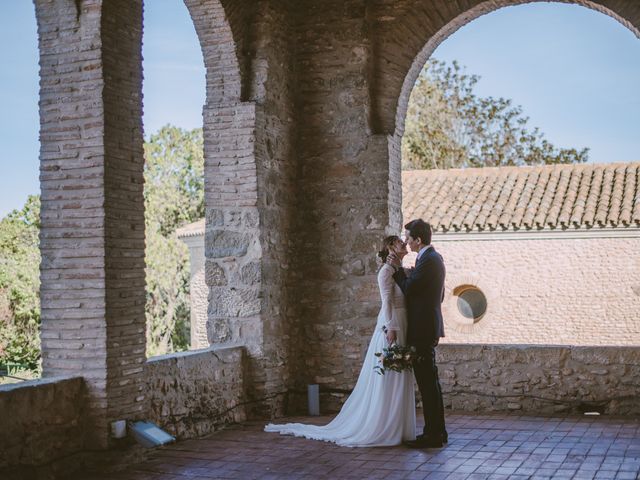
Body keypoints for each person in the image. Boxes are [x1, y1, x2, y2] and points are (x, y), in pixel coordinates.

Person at [264, 235, 416, 447]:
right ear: (391, 247)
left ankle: (399, 425)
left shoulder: (400, 271)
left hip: (404, 322)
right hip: (393, 325)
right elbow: (387, 302)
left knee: (400, 372)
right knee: (390, 372)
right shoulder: (385, 272)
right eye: (400, 241)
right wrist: (391, 328)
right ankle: (384, 425)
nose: (404, 243)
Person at [387, 219, 447, 449]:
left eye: (408, 238)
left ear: (418, 240)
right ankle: (438, 432)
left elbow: (411, 289)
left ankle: (433, 435)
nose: (406, 242)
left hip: (423, 329)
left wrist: (396, 270)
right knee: (430, 383)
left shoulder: (430, 260)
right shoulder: (431, 260)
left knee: (427, 385)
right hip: (427, 326)